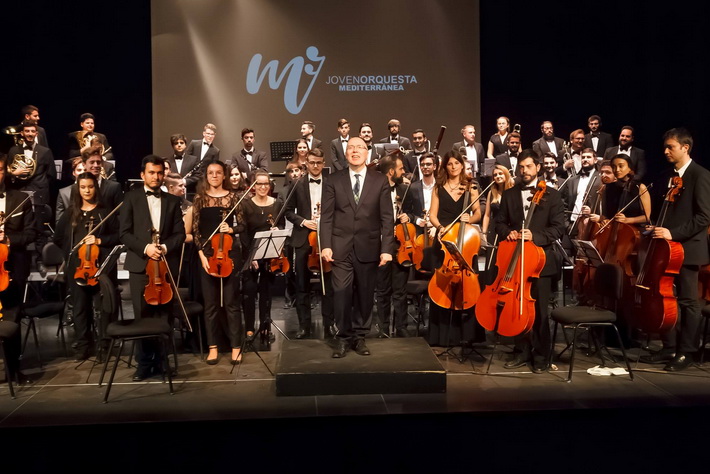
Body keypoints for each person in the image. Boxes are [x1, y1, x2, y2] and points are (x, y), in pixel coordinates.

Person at [639, 128, 710, 371]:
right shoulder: (667, 175)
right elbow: (665, 211)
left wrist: (673, 233)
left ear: (685, 147)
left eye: (671, 147)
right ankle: (668, 347)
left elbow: (703, 217)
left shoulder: (700, 175)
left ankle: (687, 351)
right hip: (666, 248)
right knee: (665, 297)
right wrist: (655, 227)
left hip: (688, 248)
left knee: (689, 302)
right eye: (665, 147)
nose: (666, 151)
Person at [320, 136, 395, 358]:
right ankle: (343, 337)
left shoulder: (379, 180)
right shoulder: (333, 180)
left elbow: (387, 218)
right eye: (351, 148)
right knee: (341, 293)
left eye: (359, 148)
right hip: (339, 247)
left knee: (364, 294)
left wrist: (387, 249)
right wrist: (325, 245)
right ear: (345, 153)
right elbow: (326, 217)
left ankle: (360, 337)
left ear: (367, 153)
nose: (355, 151)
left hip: (369, 246)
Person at [494, 149, 566, 373]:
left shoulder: (551, 195)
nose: (523, 170)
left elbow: (558, 228)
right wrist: (509, 232)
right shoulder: (509, 194)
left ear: (538, 167)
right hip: (515, 261)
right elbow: (500, 223)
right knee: (517, 306)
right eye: (520, 167)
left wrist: (535, 236)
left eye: (527, 166)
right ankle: (521, 351)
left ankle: (542, 356)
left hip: (540, 262)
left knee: (539, 311)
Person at [119, 155, 185, 381]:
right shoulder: (131, 198)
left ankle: (164, 362)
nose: (156, 177)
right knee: (142, 315)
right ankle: (144, 364)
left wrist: (165, 247)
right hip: (140, 265)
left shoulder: (173, 201)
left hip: (164, 266)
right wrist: (146, 248)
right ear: (142, 175)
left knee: (164, 316)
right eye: (151, 173)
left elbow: (180, 234)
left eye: (159, 173)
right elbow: (124, 233)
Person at [54, 172, 120, 361]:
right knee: (80, 307)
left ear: (95, 187)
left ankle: (104, 344)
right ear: (78, 189)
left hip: (101, 267)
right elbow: (57, 238)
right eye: (83, 187)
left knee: (103, 306)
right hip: (78, 267)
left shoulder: (105, 212)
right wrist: (72, 253)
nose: (87, 190)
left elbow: (118, 236)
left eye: (90, 186)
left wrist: (99, 240)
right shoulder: (71, 213)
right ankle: (83, 345)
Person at [188, 161, 243, 365]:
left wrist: (231, 230)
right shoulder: (200, 199)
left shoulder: (233, 198)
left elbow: (243, 226)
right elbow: (196, 231)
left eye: (218, 173)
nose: (214, 176)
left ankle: (236, 347)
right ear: (206, 176)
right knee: (210, 304)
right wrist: (202, 254)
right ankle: (213, 348)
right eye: (211, 173)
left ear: (224, 176)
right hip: (208, 255)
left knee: (231, 303)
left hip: (229, 253)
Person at [427, 150, 482, 347]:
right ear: (445, 166)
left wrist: (471, 219)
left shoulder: (470, 187)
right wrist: (440, 228)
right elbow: (433, 214)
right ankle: (441, 336)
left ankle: (466, 335)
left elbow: (478, 212)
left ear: (461, 165)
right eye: (449, 164)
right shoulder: (438, 187)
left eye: (456, 164)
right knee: (443, 284)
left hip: (464, 241)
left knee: (466, 285)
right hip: (444, 239)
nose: (453, 167)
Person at [284, 148, 335, 339]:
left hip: (326, 238)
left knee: (327, 285)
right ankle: (304, 326)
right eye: (312, 162)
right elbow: (288, 211)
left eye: (319, 163)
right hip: (303, 238)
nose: (315, 166)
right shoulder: (297, 184)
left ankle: (329, 325)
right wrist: (304, 221)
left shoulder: (331, 184)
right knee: (302, 285)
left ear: (323, 163)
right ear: (306, 163)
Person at [0, 155, 37, 381]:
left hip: (11, 268)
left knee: (12, 318)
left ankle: (13, 369)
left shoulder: (21, 199)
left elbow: (31, 234)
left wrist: (9, 239)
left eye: (0, 169)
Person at [237, 170, 284, 342]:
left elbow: (282, 226)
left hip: (270, 255)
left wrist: (277, 230)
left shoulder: (277, 203)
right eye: (259, 184)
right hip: (251, 255)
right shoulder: (246, 205)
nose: (263, 187)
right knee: (249, 291)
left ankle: (265, 328)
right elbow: (243, 233)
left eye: (266, 184)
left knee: (266, 292)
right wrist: (252, 256)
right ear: (253, 186)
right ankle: (249, 328)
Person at [374, 153, 412, 338]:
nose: (403, 171)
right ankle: (382, 327)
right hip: (381, 246)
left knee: (400, 290)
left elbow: (414, 211)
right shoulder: (373, 191)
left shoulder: (404, 190)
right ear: (391, 172)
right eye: (400, 168)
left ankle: (401, 327)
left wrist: (408, 217)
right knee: (382, 291)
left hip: (400, 246)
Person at [6, 120, 56, 207]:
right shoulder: (13, 150)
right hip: (19, 191)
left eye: (33, 131)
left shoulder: (45, 151)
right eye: (27, 131)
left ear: (36, 134)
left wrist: (40, 183)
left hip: (39, 194)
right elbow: (7, 172)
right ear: (22, 133)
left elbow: (51, 175)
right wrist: (14, 173)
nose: (30, 134)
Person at [481, 164, 514, 245]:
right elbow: (487, 215)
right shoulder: (491, 193)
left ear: (506, 174)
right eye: (495, 175)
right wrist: (484, 233)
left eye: (500, 173)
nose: (498, 176)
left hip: (509, 229)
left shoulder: (514, 192)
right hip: (493, 229)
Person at [56, 157, 85, 224]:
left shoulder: (95, 189)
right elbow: (59, 221)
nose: (82, 172)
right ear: (73, 173)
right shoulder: (63, 193)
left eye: (85, 170)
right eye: (79, 170)